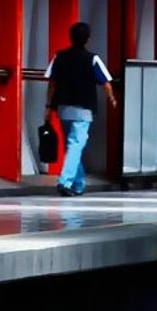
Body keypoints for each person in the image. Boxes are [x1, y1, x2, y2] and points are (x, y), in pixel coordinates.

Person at [44, 21, 117, 198]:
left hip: (63, 108)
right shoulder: (92, 58)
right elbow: (106, 83)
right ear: (88, 39)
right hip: (84, 110)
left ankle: (78, 184)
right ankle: (65, 181)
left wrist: (48, 106)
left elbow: (52, 83)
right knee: (76, 144)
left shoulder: (59, 57)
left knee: (73, 147)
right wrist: (112, 98)